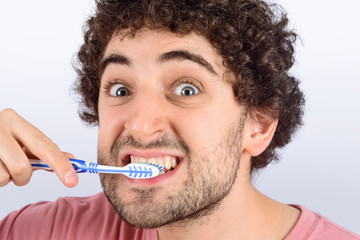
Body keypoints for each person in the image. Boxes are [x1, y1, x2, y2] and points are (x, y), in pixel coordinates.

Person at [0, 0, 359, 239]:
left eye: (186, 89)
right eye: (121, 89)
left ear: (260, 125)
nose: (139, 125)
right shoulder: (45, 231)